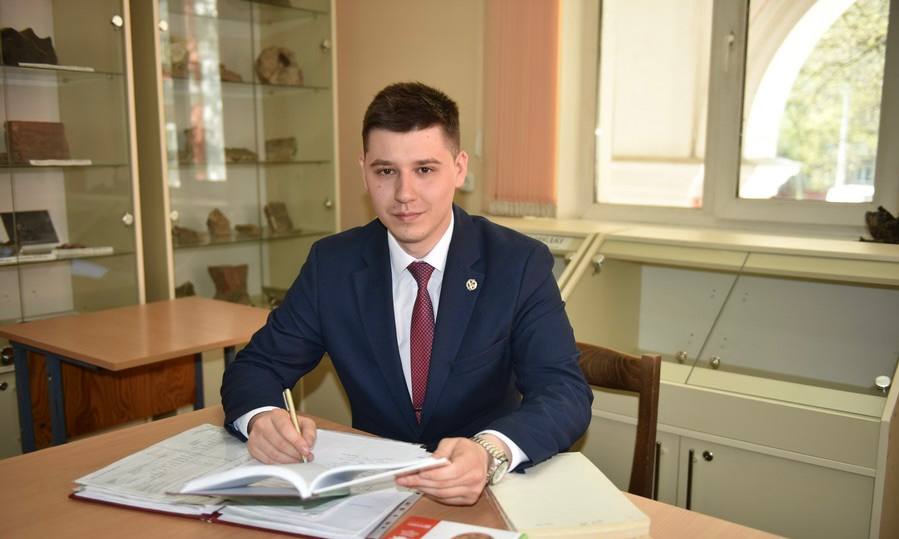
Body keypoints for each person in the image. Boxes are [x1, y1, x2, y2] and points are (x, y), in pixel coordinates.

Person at [221, 81, 592, 506]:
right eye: (386, 171)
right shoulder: (333, 264)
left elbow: (564, 392)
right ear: (364, 170)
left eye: (425, 170)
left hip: (482, 494)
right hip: (374, 495)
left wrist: (491, 451)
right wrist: (262, 418)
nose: (404, 194)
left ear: (459, 168)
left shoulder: (517, 263)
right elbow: (257, 367)